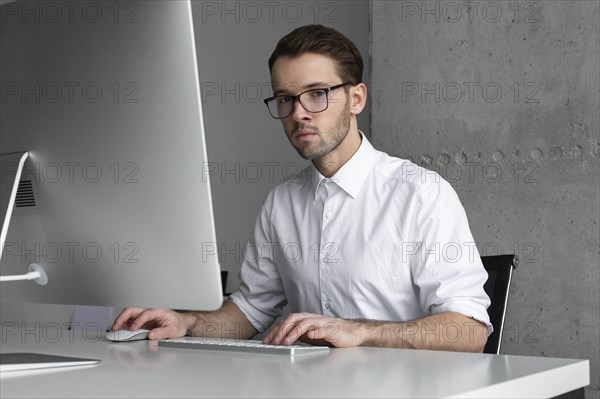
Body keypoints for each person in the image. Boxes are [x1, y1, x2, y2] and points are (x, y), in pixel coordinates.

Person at [113, 25, 491, 352]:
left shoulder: (421, 193)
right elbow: (249, 311)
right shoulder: (281, 202)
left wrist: (358, 331)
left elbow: (469, 332)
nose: (298, 113)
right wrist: (187, 322)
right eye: (285, 99)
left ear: (356, 98)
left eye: (317, 94)